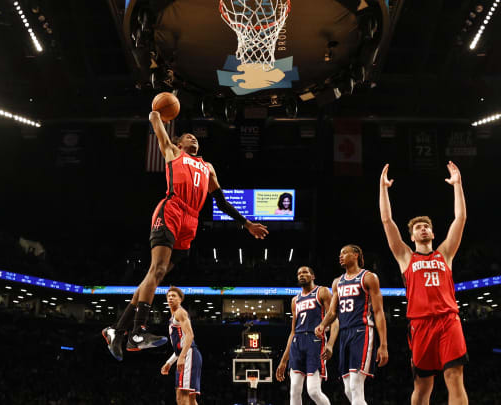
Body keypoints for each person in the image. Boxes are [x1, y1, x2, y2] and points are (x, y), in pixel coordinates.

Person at [102, 111, 269, 360]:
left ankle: (117, 330)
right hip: (171, 208)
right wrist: (157, 111)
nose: (194, 139)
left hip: (191, 221)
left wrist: (246, 223)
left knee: (153, 277)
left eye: (196, 139)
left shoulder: (207, 167)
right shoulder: (172, 151)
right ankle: (138, 332)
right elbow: (156, 124)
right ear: (179, 143)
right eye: (189, 137)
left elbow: (221, 202)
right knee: (156, 271)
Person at [378, 162, 469, 405]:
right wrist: (383, 188)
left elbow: (460, 218)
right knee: (423, 386)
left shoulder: (445, 253)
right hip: (420, 323)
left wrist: (457, 185)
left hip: (449, 319)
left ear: (433, 233)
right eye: (418, 227)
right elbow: (387, 221)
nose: (424, 229)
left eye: (427, 226)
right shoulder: (406, 257)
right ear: (412, 236)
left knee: (454, 376)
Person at [315, 245, 389, 405]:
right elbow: (333, 312)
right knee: (348, 389)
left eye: (344, 253)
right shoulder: (337, 282)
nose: (340, 256)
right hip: (344, 333)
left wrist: (383, 345)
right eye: (339, 254)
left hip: (362, 331)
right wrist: (322, 325)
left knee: (356, 384)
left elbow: (379, 312)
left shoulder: (368, 277)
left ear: (356, 255)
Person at [276, 266, 339, 405]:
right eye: (299, 273)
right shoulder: (295, 300)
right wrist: (283, 360)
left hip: (314, 341)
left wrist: (330, 345)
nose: (301, 275)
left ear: (313, 276)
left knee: (313, 391)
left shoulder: (322, 291)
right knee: (294, 391)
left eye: (305, 272)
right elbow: (292, 332)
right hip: (297, 342)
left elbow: (334, 320)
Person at [160, 287, 202, 405]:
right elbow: (180, 345)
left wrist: (182, 357)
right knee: (190, 398)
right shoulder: (172, 318)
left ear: (180, 299)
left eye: (174, 296)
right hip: (189, 353)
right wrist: (169, 362)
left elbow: (190, 335)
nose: (170, 298)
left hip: (189, 353)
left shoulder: (180, 312)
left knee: (181, 396)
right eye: (169, 296)